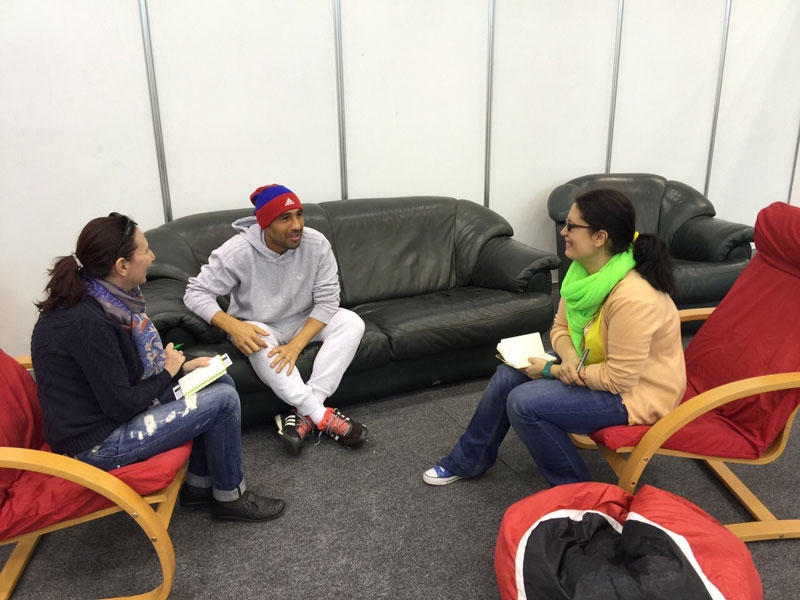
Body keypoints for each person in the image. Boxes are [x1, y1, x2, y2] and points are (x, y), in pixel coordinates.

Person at [31, 213, 285, 522]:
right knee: (223, 401)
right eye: (145, 250)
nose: (152, 257)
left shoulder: (105, 300)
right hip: (97, 444)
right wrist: (168, 372)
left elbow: (119, 378)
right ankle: (231, 498)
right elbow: (121, 405)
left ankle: (199, 486)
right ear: (122, 266)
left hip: (107, 415)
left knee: (218, 382)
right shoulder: (90, 324)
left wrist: (181, 367)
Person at [423, 189, 686, 487]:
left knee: (524, 403)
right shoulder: (583, 273)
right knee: (508, 374)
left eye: (572, 226)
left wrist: (554, 370)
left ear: (599, 237)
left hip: (637, 394)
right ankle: (469, 460)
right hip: (593, 363)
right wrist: (569, 359)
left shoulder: (632, 298)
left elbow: (619, 380)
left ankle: (577, 492)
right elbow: (560, 327)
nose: (564, 232)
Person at [184, 184, 367, 456]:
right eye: (285, 218)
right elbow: (195, 292)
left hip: (305, 318)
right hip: (260, 324)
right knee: (255, 340)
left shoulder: (316, 243)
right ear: (265, 223)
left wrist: (296, 345)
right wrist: (233, 326)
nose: (297, 225)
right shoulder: (237, 251)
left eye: (299, 215)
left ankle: (307, 411)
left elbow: (328, 300)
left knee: (352, 322)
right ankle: (320, 415)